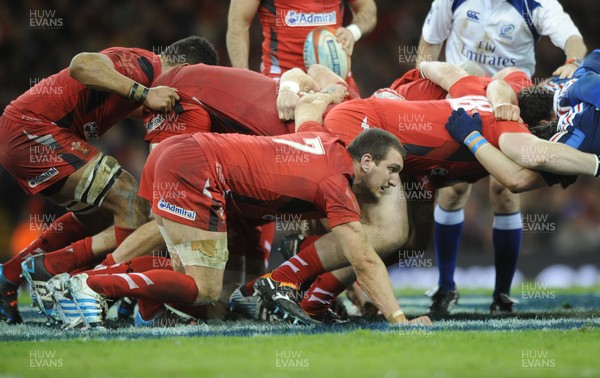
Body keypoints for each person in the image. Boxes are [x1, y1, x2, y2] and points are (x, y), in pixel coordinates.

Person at [259, 61, 598, 323]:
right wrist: (592, 163)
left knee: (411, 240)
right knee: (386, 232)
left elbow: (450, 70)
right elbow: (522, 172)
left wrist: (419, 78)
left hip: (397, 149)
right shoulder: (506, 125)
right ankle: (288, 281)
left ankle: (307, 290)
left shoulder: (474, 86)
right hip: (371, 134)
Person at [57, 127, 432, 329]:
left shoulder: (325, 141)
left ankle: (146, 306)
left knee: (204, 297)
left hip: (181, 155)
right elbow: (363, 258)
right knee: (205, 290)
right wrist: (400, 320)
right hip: (197, 167)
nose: (395, 181)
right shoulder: (337, 183)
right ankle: (90, 284)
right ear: (366, 161)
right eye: (392, 169)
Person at [0, 36, 219, 324]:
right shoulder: (141, 66)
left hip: (27, 135)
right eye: (196, 80)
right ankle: (120, 297)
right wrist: (143, 93)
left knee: (103, 217)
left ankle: (14, 274)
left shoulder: (144, 83)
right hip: (32, 130)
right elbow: (82, 64)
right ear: (186, 67)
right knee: (129, 198)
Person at [415, 0, 587, 316]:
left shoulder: (536, 4)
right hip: (462, 99)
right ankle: (444, 287)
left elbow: (572, 38)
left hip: (509, 104)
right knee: (453, 190)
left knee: (504, 193)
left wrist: (574, 60)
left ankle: (502, 294)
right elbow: (430, 41)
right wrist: (421, 84)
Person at [226, 0, 376, 92]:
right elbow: (238, 24)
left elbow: (368, 9)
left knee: (351, 141)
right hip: (282, 86)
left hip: (337, 82)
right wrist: (244, 79)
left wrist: (353, 31)